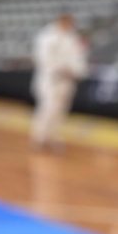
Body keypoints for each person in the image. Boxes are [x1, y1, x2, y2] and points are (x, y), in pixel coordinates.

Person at [30, 12, 87, 151]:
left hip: (67, 80)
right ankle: (40, 138)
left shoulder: (72, 38)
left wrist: (77, 71)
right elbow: (42, 58)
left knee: (61, 110)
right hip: (50, 79)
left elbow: (78, 58)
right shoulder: (47, 36)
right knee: (48, 108)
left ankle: (53, 137)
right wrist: (60, 69)